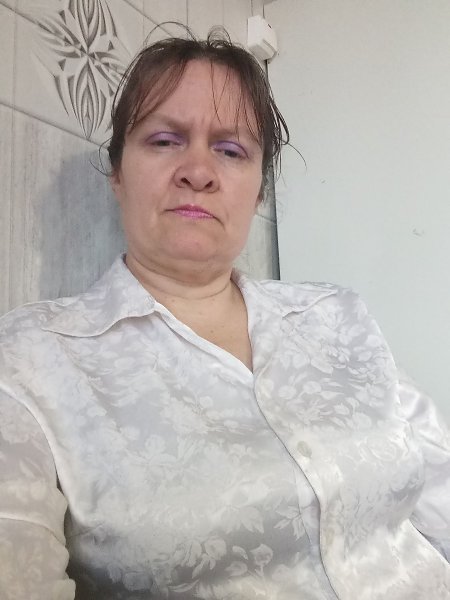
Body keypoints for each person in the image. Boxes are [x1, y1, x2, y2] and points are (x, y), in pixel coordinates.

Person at [0, 29, 449, 600]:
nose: (198, 171)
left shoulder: (338, 317)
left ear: (258, 191)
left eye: (231, 151)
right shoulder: (29, 360)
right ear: (117, 173)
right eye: (164, 140)